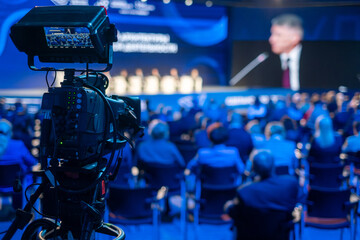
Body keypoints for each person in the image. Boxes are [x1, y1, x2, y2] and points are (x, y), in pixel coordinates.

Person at [233, 13, 360, 90]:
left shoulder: (320, 61)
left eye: (278, 35)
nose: (271, 39)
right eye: (272, 34)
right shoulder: (264, 61)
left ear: (295, 38)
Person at [224, 150, 302, 240]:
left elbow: (232, 212)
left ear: (253, 169)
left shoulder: (245, 191)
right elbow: (298, 201)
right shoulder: (290, 183)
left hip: (250, 235)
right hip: (279, 235)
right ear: (273, 166)